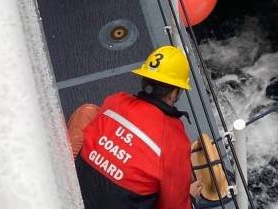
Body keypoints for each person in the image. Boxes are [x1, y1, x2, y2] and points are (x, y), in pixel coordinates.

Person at [67, 45, 204, 208]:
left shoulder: (116, 101)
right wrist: (191, 198)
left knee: (88, 113)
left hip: (69, 197)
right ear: (174, 92)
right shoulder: (176, 142)